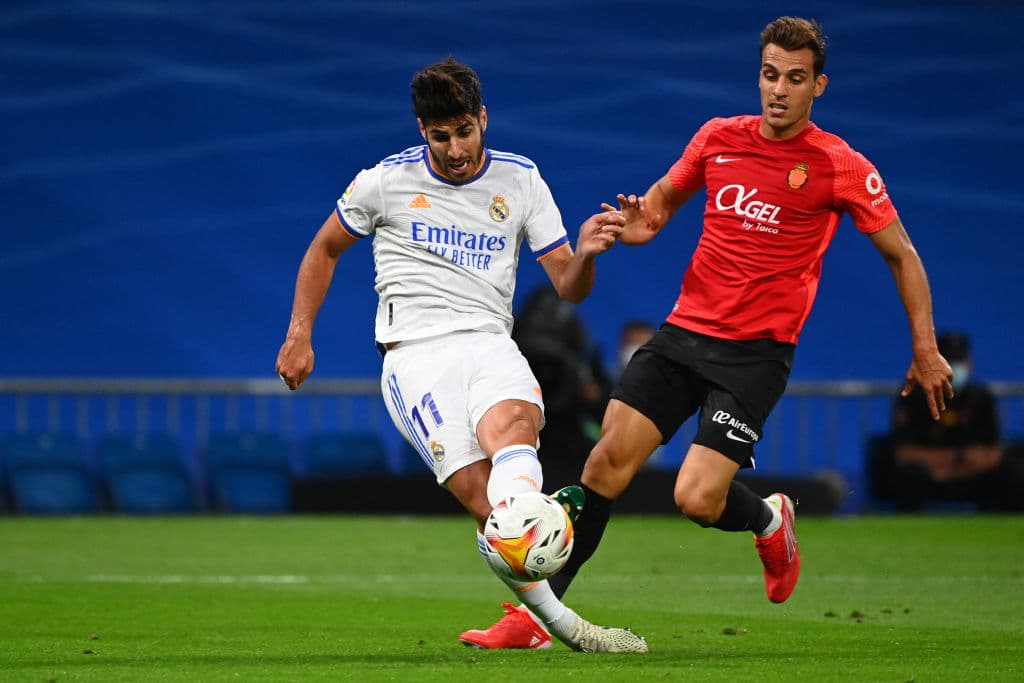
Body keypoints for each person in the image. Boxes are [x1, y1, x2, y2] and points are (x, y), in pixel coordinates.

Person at [465, 16, 954, 647]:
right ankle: (532, 621)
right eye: (770, 74)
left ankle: (770, 520)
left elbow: (903, 255)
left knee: (695, 498)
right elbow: (656, 212)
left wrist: (924, 346)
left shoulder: (838, 165)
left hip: (755, 355)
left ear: (819, 86)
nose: (779, 89)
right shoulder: (718, 138)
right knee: (604, 464)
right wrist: (629, 223)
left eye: (795, 78)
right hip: (682, 335)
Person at [275, 57, 646, 653]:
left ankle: (551, 600)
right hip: (415, 356)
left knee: (515, 431)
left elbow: (568, 287)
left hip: (490, 341)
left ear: (483, 118)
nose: (454, 148)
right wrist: (299, 333)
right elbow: (323, 248)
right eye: (440, 136)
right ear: (423, 130)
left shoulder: (520, 180)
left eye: (464, 132)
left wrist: (587, 253)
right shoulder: (383, 182)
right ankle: (556, 621)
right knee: (488, 506)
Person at [880, 331, 1024, 512]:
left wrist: (954, 468)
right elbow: (904, 454)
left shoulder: (981, 398)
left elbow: (993, 453)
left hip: (973, 477)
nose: (954, 369)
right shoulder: (914, 396)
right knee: (909, 477)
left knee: (1015, 472)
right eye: (948, 361)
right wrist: (958, 459)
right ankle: (908, 533)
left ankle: (1009, 531)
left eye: (959, 361)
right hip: (931, 477)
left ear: (970, 363)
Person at [511, 286, 612, 489]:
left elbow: (605, 414)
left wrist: (590, 392)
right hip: (524, 437)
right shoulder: (511, 354)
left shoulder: (581, 363)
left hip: (569, 438)